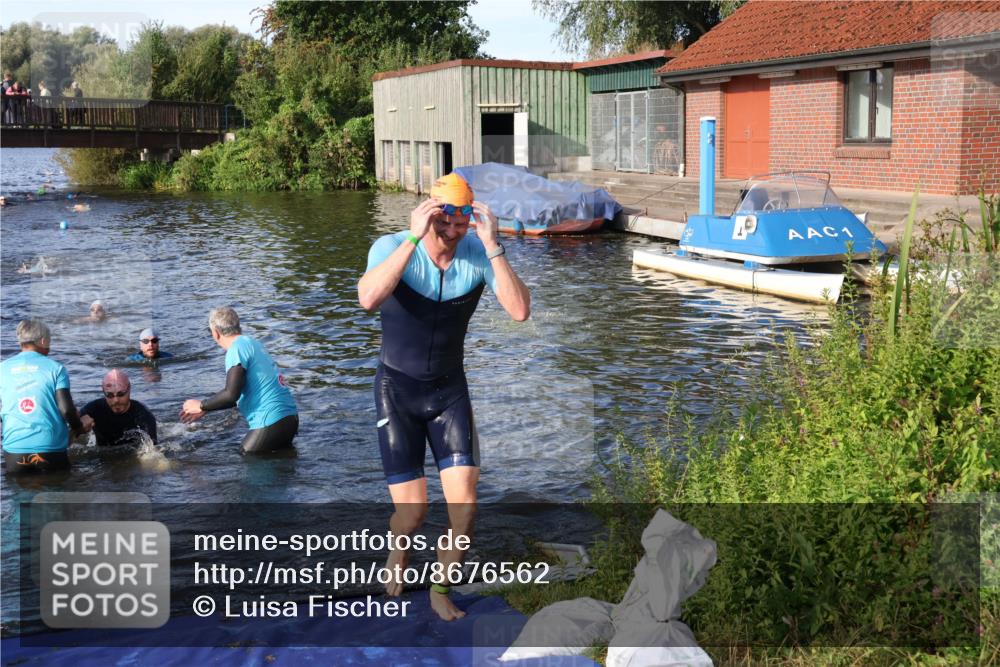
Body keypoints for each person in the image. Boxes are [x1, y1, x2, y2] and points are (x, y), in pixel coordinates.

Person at [357, 172, 530, 621]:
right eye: (444, 222)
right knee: (412, 516)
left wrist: (493, 245)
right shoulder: (392, 246)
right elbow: (368, 299)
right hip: (397, 391)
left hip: (449, 392)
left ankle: (439, 588)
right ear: (428, 213)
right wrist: (413, 239)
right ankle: (399, 547)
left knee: (465, 510)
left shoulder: (477, 252)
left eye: (461, 223)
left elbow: (519, 311)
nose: (452, 232)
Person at [179, 307, 298, 454]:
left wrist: (202, 405)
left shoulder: (236, 350)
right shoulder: (252, 343)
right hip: (290, 418)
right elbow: (240, 391)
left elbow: (231, 395)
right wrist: (207, 408)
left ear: (215, 332)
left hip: (270, 421)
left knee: (247, 457)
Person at [0, 319, 84, 474]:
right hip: (50, 449)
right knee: (60, 486)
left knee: (18, 489)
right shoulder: (56, 369)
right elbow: (66, 410)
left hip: (14, 450)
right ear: (44, 341)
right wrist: (78, 428)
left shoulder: (2, 368)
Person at [79, 369, 157, 448]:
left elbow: (153, 450)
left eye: (121, 394)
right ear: (103, 391)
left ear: (129, 389)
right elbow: (72, 434)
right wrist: (79, 425)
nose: (116, 400)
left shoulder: (144, 416)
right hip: (102, 451)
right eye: (110, 395)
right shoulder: (93, 409)